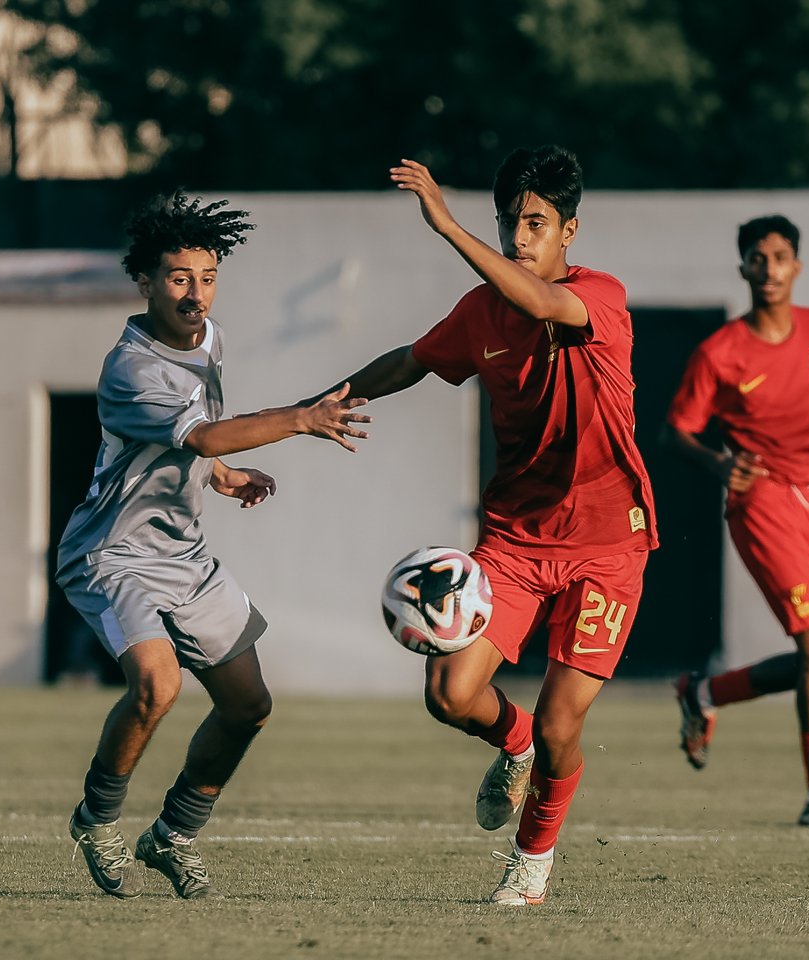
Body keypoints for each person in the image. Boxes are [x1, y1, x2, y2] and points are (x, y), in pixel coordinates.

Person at [308, 146, 658, 905]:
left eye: (535, 223)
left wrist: (444, 225)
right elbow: (412, 359)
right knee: (449, 691)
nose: (518, 236)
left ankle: (531, 863)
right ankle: (517, 743)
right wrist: (320, 404)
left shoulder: (601, 295)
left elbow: (542, 304)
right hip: (517, 539)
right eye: (509, 222)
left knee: (567, 723)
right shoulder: (480, 313)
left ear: (570, 229)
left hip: (607, 545)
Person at [58, 191, 370, 899]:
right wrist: (297, 419)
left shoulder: (211, 340)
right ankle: (97, 818)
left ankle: (172, 835)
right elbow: (197, 434)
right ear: (145, 280)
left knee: (248, 706)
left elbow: (197, 442)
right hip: (114, 555)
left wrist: (222, 476)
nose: (195, 293)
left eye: (207, 276)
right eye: (178, 277)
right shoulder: (129, 367)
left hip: (184, 554)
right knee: (158, 686)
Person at [666, 214, 809, 828]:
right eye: (757, 258)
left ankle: (704, 693)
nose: (769, 268)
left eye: (780, 256)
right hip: (762, 502)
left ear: (797, 266)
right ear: (742, 267)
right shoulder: (721, 353)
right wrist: (717, 462)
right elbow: (677, 431)